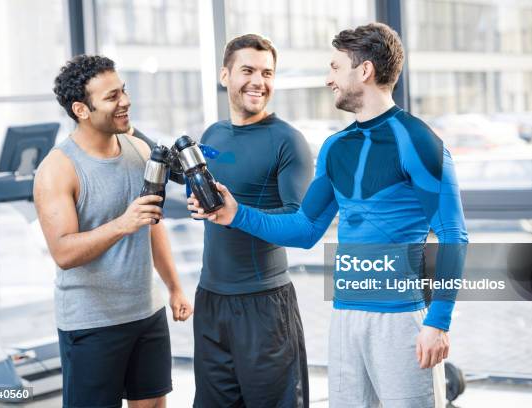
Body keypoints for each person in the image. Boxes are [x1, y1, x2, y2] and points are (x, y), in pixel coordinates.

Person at [189, 23, 468, 408]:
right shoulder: (336, 147)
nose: (328, 78)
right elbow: (304, 229)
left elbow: (454, 234)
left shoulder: (417, 139)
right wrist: (236, 214)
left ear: (365, 71)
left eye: (335, 67)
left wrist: (439, 321)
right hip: (346, 315)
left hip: (401, 318)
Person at [34, 54, 192, 408]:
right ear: (81, 109)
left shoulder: (138, 150)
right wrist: (123, 223)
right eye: (111, 97)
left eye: (123, 90)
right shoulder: (58, 169)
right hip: (91, 322)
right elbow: (63, 253)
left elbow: (152, 226)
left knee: (152, 404)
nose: (125, 101)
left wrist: (175, 287)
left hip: (146, 313)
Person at [192, 34, 313, 408]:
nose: (258, 82)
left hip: (264, 307)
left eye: (267, 73)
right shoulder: (212, 134)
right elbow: (215, 203)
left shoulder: (288, 141)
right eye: (248, 70)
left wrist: (236, 214)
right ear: (225, 74)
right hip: (211, 299)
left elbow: (301, 221)